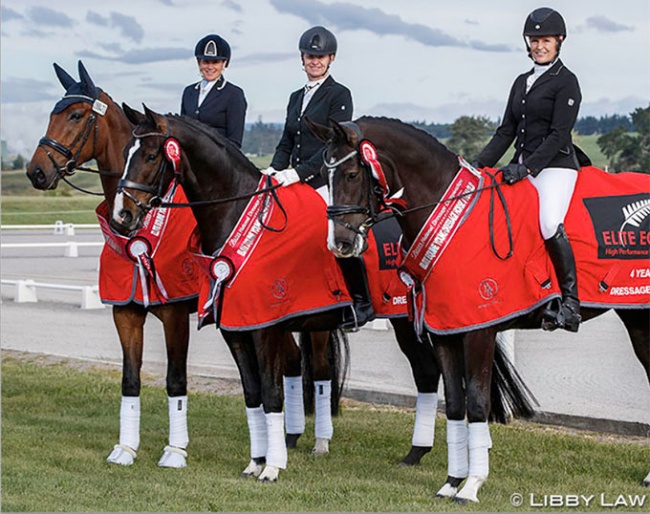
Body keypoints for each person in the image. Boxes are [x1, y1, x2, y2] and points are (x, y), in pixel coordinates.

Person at [474, 7, 582, 332]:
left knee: (549, 223)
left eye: (545, 40)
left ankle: (571, 303)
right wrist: (477, 166)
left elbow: (558, 134)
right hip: (523, 167)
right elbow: (505, 131)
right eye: (534, 40)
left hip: (556, 166)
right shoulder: (521, 82)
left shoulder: (567, 82)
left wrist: (528, 168)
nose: (539, 46)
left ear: (559, 41)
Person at [262, 26, 374, 330]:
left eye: (320, 57)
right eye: (310, 56)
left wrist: (297, 173)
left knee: (336, 232)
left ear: (331, 58)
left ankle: (361, 301)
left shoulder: (339, 94)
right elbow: (287, 140)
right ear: (303, 58)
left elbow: (332, 144)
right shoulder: (295, 97)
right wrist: (275, 170)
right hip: (292, 178)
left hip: (325, 179)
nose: (315, 61)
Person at [181, 34, 247, 148]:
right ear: (199, 63)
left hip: (218, 161)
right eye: (206, 62)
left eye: (215, 62)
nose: (210, 67)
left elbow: (234, 141)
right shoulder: (189, 92)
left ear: (224, 64)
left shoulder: (233, 94)